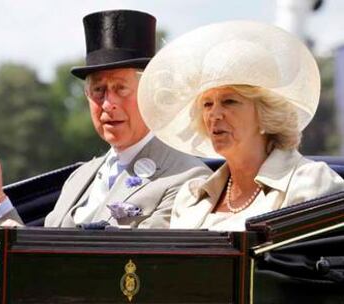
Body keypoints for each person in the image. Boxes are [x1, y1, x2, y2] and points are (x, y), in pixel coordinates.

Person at [0, 9, 211, 228]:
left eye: (120, 88)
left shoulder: (187, 178)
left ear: (150, 93)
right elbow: (37, 260)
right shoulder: (79, 178)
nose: (108, 104)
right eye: (98, 91)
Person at [137, 20, 344, 231]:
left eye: (229, 101)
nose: (214, 115)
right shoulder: (190, 196)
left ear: (266, 113)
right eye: (207, 104)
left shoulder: (310, 182)